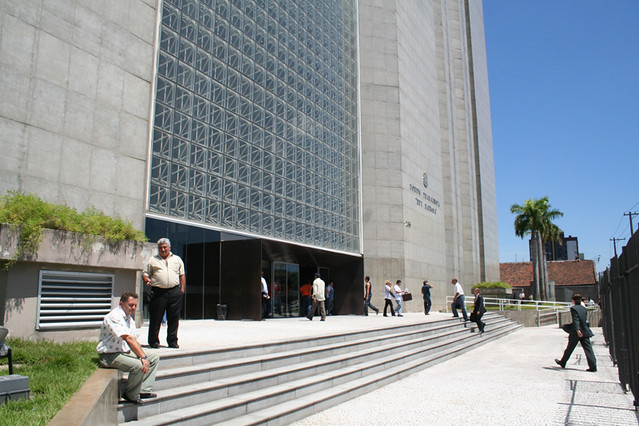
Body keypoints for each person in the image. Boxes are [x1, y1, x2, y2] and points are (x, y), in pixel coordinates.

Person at [97, 291, 160, 404]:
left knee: (154, 357)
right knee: (138, 366)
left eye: (135, 305)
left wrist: (143, 355)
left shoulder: (129, 319)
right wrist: (142, 357)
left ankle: (143, 390)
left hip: (124, 351)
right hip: (110, 355)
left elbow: (134, 340)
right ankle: (130, 395)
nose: (133, 308)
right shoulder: (114, 316)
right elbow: (128, 338)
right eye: (130, 305)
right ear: (121, 303)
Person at [142, 238, 186, 349]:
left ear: (169, 248)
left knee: (174, 319)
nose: (163, 249)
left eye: (165, 247)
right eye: (161, 248)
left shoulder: (177, 259)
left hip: (175, 292)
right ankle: (153, 341)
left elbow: (182, 275)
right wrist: (146, 279)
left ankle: (172, 341)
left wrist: (181, 291)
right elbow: (145, 273)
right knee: (156, 318)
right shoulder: (153, 260)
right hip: (158, 292)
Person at [555, 293, 597, 372]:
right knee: (588, 349)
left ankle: (563, 362)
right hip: (585, 330)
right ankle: (593, 366)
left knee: (570, 348)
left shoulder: (574, 309)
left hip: (576, 332)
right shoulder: (584, 308)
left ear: (573, 300)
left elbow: (576, 319)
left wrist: (577, 330)